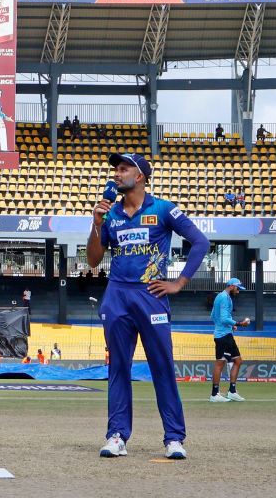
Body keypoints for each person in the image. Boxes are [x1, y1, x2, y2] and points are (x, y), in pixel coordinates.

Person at [88, 152, 211, 460]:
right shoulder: (111, 214)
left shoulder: (164, 209)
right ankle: (117, 436)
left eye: (123, 169)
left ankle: (173, 438)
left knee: (162, 368)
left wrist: (178, 282)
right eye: (116, 169)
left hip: (151, 294)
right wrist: (96, 223)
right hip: (117, 295)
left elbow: (201, 243)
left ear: (140, 176)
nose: (117, 174)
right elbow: (92, 260)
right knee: (118, 367)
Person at [209, 278, 252, 403]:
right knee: (220, 364)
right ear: (232, 286)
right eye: (238, 289)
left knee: (238, 361)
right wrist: (239, 323)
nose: (238, 292)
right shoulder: (224, 298)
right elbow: (223, 318)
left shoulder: (222, 297)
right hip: (223, 336)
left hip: (226, 334)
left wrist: (231, 325)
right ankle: (215, 394)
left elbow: (213, 316)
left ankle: (232, 391)